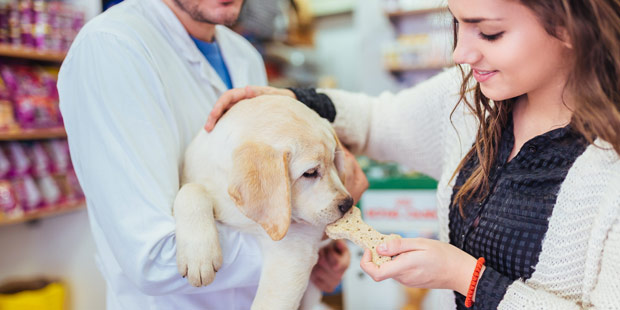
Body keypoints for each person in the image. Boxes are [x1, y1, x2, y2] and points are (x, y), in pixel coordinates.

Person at [206, 0, 620, 308]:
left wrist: (465, 277)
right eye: (458, 26)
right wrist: (290, 102)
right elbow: (374, 120)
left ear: (568, 26)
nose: (461, 53)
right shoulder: (469, 98)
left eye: (489, 33)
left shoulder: (608, 169)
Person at [57, 0, 350, 308]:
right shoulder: (112, 47)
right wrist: (303, 249)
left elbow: (265, 197)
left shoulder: (243, 54)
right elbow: (153, 257)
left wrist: (319, 254)